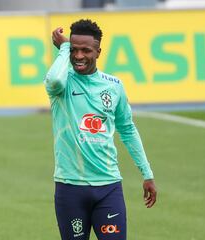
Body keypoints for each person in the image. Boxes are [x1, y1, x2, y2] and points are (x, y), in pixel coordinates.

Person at [44, 19, 157, 240]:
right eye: (74, 50)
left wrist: (147, 173)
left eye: (86, 50)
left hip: (108, 186)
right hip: (70, 187)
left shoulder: (113, 86)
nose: (78, 56)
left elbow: (127, 129)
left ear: (98, 51)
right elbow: (54, 79)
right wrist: (64, 48)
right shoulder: (63, 84)